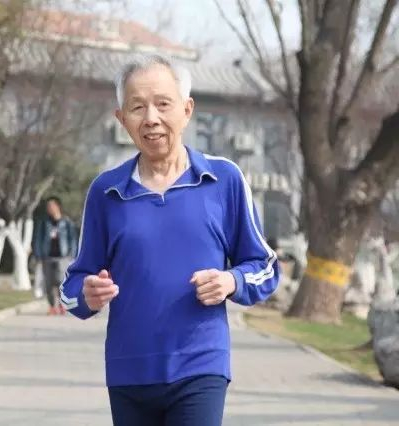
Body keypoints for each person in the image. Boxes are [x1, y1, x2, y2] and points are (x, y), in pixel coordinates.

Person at [59, 54, 279, 426]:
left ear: (186, 110)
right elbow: (72, 285)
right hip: (129, 371)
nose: (151, 118)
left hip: (201, 366)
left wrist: (232, 281)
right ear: (121, 119)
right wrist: (87, 294)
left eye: (163, 104)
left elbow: (266, 266)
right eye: (137, 107)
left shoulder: (224, 180)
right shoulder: (106, 191)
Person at [33, 196, 78, 315]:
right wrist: (38, 255)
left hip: (63, 257)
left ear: (58, 207)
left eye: (51, 206)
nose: (49, 208)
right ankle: (52, 306)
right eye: (48, 206)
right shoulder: (44, 222)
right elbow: (38, 239)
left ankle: (62, 305)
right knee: (48, 283)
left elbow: (72, 239)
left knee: (61, 281)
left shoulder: (66, 222)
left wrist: (72, 255)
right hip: (47, 257)